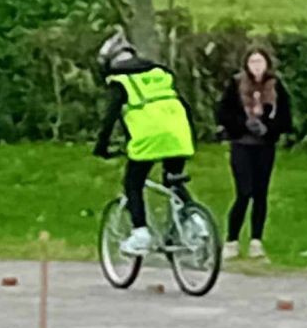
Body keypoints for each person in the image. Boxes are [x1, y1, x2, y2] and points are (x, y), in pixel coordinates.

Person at [93, 33, 196, 256]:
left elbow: (110, 117)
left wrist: (101, 146)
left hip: (148, 138)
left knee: (133, 183)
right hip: (179, 133)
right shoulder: (160, 74)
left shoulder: (120, 82)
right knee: (173, 181)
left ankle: (141, 234)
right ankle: (195, 221)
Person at [215, 48, 293, 260]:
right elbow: (223, 112)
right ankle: (232, 240)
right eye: (253, 62)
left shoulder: (276, 86)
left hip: (265, 146)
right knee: (244, 192)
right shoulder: (236, 84)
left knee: (261, 193)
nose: (257, 66)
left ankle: (256, 241)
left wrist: (269, 128)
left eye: (260, 62)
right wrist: (242, 125)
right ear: (246, 65)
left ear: (267, 64)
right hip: (241, 143)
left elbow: (286, 117)